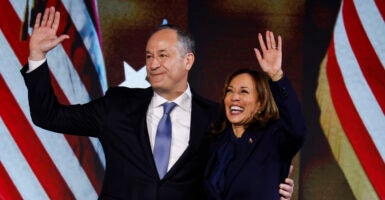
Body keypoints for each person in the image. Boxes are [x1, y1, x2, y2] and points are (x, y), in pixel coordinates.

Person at [21, 7, 295, 199]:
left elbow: (244, 172)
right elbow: (48, 115)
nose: (153, 64)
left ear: (188, 60)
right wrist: (36, 56)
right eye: (149, 56)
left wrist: (274, 188)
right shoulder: (117, 105)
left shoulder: (217, 118)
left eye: (163, 55)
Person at [204, 31, 306, 199]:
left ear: (260, 104)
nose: (234, 97)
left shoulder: (273, 141)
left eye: (244, 92)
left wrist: (276, 75)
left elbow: (297, 128)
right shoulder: (215, 140)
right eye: (230, 91)